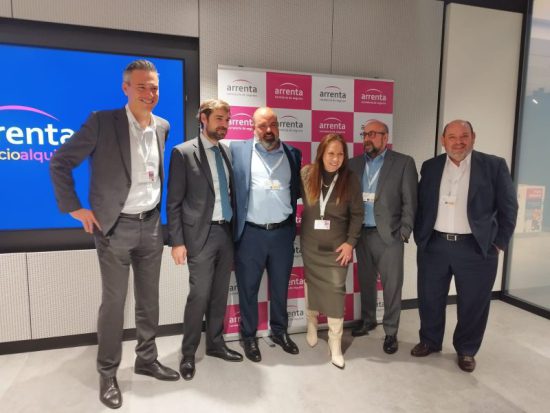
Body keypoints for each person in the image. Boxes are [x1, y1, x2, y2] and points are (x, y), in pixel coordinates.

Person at [50, 60, 179, 409]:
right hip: (114, 227)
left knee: (149, 300)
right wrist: (74, 207)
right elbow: (60, 162)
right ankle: (107, 372)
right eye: (142, 86)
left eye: (154, 87)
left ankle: (147, 359)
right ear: (126, 88)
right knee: (114, 303)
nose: (149, 93)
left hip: (151, 225)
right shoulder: (102, 122)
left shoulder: (163, 126)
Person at [411, 119, 518, 372]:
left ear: (473, 137)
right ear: (443, 140)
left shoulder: (493, 166)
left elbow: (509, 207)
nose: (458, 142)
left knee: (473, 303)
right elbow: (421, 204)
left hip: (476, 248)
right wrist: (421, 237)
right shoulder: (431, 166)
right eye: (452, 137)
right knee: (429, 297)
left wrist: (498, 243)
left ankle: (467, 349)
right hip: (434, 245)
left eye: (464, 136)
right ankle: (430, 340)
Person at [166, 99, 243, 381]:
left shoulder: (227, 152)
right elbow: (173, 202)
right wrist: (177, 242)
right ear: (204, 118)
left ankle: (215, 343)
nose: (224, 125)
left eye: (227, 120)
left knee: (219, 293)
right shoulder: (183, 152)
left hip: (225, 232)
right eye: (219, 118)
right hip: (200, 235)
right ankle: (188, 353)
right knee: (198, 295)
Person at [231, 107, 302, 362]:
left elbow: (296, 191)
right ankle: (249, 336)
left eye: (273, 124)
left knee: (280, 286)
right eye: (262, 125)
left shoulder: (293, 154)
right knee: (248, 288)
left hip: (282, 234)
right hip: (251, 234)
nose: (269, 130)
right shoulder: (237, 151)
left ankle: (280, 332)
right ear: (253, 127)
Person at [348, 119, 418, 354]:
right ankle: (368, 320)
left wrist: (404, 232)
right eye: (365, 134)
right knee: (366, 281)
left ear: (385, 137)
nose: (368, 138)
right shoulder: (353, 164)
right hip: (361, 234)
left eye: (373, 134)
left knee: (392, 286)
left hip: (389, 235)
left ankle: (390, 331)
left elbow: (410, 201)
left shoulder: (403, 163)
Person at [300, 133, 363, 368]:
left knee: (336, 291)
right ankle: (312, 324)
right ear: (321, 154)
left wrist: (350, 243)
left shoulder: (350, 179)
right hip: (311, 245)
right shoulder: (306, 174)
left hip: (337, 248)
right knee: (311, 284)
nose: (335, 159)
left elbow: (358, 214)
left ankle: (335, 343)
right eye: (331, 153)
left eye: (340, 154)